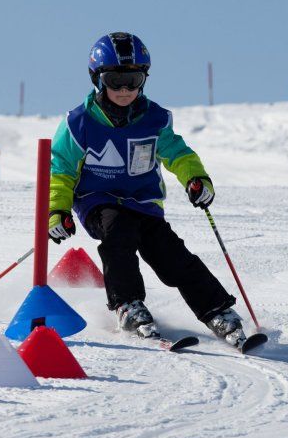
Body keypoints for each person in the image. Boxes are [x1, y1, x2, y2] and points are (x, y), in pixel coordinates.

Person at [47, 32, 247, 348]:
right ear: (97, 79)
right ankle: (127, 304)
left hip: (144, 202)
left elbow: (178, 153)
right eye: (115, 80)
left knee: (171, 254)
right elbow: (61, 171)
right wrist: (57, 210)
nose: (125, 89)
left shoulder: (154, 119)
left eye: (134, 79)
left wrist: (196, 179)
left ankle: (217, 310)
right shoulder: (79, 123)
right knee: (118, 231)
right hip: (98, 202)